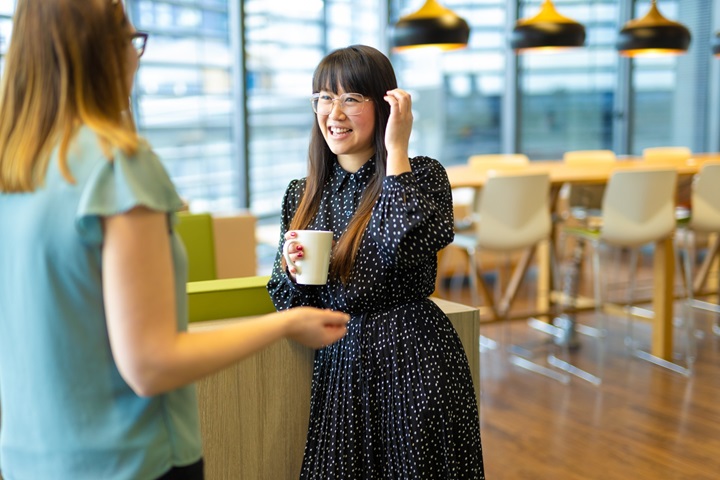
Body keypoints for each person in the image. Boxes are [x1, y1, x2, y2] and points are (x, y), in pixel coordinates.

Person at [0, 1, 349, 479]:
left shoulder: (14, 167)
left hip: (29, 458)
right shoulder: (117, 167)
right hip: (129, 461)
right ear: (99, 51)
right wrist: (286, 325)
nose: (136, 57)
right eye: (130, 40)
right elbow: (151, 365)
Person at [267, 45, 485, 479]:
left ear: (385, 105)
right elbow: (287, 303)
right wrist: (292, 274)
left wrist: (396, 151)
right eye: (324, 98)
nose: (335, 112)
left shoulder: (421, 174)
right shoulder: (302, 193)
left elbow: (406, 245)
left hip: (415, 359)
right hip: (342, 367)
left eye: (352, 98)